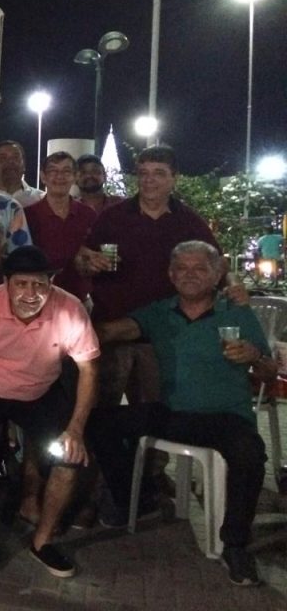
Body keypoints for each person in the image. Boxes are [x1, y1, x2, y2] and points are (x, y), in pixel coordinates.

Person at [89, 241, 274, 586]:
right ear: (171, 275)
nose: (190, 275)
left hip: (226, 416)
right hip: (173, 413)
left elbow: (268, 372)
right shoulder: (159, 312)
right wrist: (61, 320)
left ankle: (235, 545)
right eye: (182, 269)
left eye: (200, 268)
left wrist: (254, 356)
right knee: (99, 423)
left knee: (249, 454)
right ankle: (134, 495)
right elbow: (112, 331)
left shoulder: (236, 313)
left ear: (217, 275)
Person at [0, 246, 99, 578]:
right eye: (21, 284)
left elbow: (89, 369)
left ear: (50, 283)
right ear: (6, 283)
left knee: (69, 458)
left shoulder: (71, 310)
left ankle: (42, 540)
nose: (30, 293)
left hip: (40, 389)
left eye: (39, 284)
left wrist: (75, 429)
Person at [76, 145, 220, 406]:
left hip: (162, 337)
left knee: (155, 412)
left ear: (174, 178)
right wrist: (89, 262)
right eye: (144, 173)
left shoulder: (189, 222)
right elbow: (83, 258)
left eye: (159, 173)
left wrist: (231, 288)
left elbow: (217, 263)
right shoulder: (112, 217)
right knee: (100, 411)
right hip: (112, 330)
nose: (149, 180)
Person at [24, 151, 96, 301]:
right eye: (53, 171)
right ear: (43, 177)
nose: (59, 176)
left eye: (66, 171)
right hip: (39, 298)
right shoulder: (27, 215)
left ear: (75, 176)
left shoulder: (88, 214)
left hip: (79, 299)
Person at [0, 140, 44, 207]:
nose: (10, 162)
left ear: (24, 165)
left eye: (15, 157)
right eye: (2, 158)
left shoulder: (40, 199)